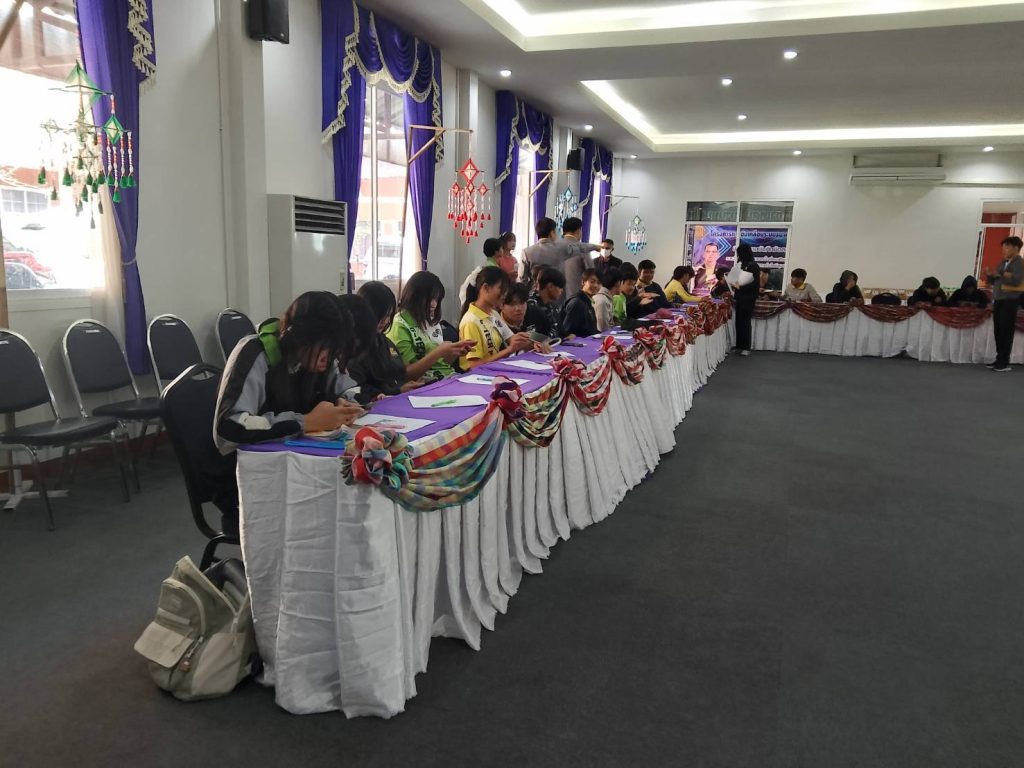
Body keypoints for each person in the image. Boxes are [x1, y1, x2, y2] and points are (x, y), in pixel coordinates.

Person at [215, 291, 363, 454]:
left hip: (298, 453)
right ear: (302, 337)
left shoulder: (314, 356)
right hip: (256, 461)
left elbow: (347, 388)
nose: (328, 359)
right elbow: (230, 425)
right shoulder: (255, 353)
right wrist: (307, 422)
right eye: (326, 348)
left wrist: (344, 404)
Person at [386, 272, 475, 385]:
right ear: (415, 296)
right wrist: (439, 352)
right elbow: (406, 375)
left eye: (437, 300)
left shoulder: (430, 322)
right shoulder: (399, 325)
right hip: (426, 385)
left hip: (447, 377)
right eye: (430, 299)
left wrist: (453, 353)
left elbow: (441, 364)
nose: (434, 304)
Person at [459, 266, 535, 369]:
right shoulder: (471, 322)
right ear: (486, 288)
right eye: (502, 289)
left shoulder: (493, 314)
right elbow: (474, 366)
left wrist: (532, 343)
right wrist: (509, 350)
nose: (505, 294)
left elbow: (512, 340)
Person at [985, 235, 1024, 372]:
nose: (1004, 250)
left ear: (1016, 248)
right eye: (1003, 247)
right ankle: (999, 358)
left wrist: (1001, 275)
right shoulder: (1003, 262)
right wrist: (989, 275)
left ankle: (1004, 361)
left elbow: (1017, 281)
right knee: (998, 330)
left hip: (1010, 299)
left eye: (1007, 247)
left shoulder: (1019, 262)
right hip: (999, 298)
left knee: (1006, 330)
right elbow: (995, 280)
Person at [730, 243, 760, 356]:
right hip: (739, 297)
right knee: (738, 322)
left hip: (748, 298)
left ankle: (746, 347)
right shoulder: (740, 265)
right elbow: (734, 278)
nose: (739, 256)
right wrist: (731, 281)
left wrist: (741, 286)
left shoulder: (754, 266)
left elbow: (755, 283)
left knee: (745, 322)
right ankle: (739, 345)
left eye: (740, 253)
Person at [561, 217, 602, 297]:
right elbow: (591, 273)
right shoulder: (582, 249)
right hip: (576, 296)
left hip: (555, 297)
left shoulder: (554, 248)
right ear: (578, 231)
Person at [459, 237, 506, 305]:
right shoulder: (492, 269)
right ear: (496, 252)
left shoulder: (487, 265)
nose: (503, 250)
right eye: (501, 248)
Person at [525, 267, 566, 337]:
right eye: (560, 287)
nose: (562, 290)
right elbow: (532, 336)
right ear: (550, 286)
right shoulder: (530, 306)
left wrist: (568, 336)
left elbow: (561, 331)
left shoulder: (553, 306)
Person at [561, 268, 601, 338]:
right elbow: (566, 333)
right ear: (583, 282)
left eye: (599, 283)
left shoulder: (586, 301)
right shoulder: (577, 303)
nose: (595, 285)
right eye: (592, 282)